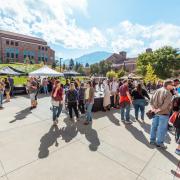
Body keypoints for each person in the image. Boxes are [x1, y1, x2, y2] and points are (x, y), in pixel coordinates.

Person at [149, 80, 174, 149]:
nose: (173, 86)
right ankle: (159, 143)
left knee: (154, 127)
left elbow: (151, 101)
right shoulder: (168, 93)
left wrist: (154, 109)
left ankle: (152, 140)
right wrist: (157, 110)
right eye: (172, 85)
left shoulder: (157, 90)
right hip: (163, 113)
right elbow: (165, 105)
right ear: (168, 85)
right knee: (162, 129)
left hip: (156, 112)